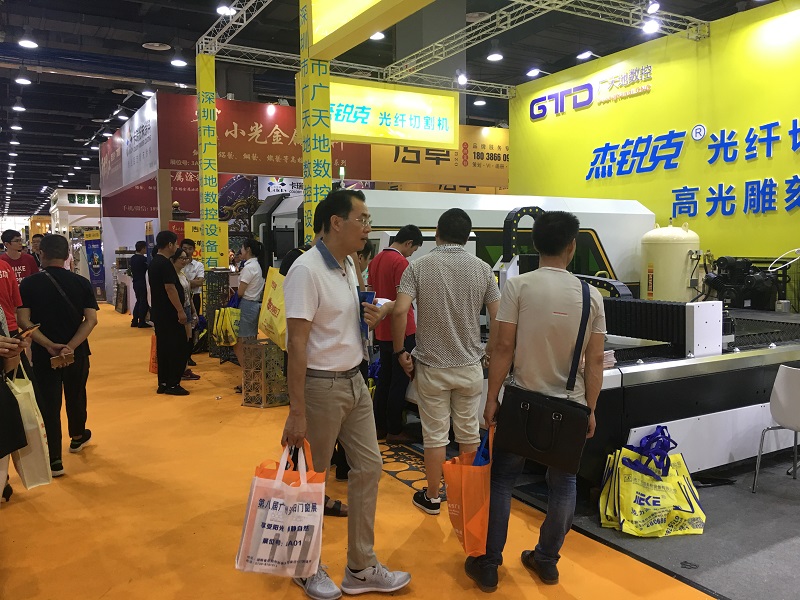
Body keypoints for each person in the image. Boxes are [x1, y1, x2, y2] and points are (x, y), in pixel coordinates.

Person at [466, 211, 606, 592]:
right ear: (572, 246)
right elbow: (595, 360)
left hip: (522, 402)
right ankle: (546, 559)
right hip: (570, 406)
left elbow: (503, 347)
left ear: (534, 244)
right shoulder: (591, 296)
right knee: (564, 483)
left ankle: (489, 563)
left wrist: (491, 398)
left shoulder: (518, 287)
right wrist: (591, 409)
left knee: (502, 480)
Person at [282, 189, 410, 599]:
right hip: (320, 386)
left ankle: (360, 566)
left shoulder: (349, 266)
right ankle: (305, 566)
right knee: (312, 480)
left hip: (355, 380)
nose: (368, 227)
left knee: (369, 467)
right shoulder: (306, 270)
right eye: (362, 219)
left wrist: (373, 314)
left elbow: (343, 321)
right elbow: (296, 344)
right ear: (336, 223)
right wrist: (297, 410)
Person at [392, 208, 500, 516]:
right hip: (469, 366)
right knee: (468, 434)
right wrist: (489, 351)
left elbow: (399, 311)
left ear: (437, 233)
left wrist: (400, 352)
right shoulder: (483, 270)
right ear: (467, 236)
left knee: (435, 435)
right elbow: (498, 315)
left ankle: (433, 496)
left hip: (431, 366)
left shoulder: (418, 266)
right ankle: (465, 497)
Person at [18, 234, 99, 478]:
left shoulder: (29, 284)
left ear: (41, 253)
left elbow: (24, 320)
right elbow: (91, 320)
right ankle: (77, 437)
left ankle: (54, 459)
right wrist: (70, 346)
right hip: (77, 352)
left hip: (44, 354)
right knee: (76, 394)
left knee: (48, 404)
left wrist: (49, 344)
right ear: (66, 256)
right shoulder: (81, 283)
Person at [368, 224, 423, 441]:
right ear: (408, 243)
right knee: (399, 381)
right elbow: (403, 302)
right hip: (402, 330)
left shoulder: (376, 259)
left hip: (382, 329)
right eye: (413, 249)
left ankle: (380, 426)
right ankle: (394, 429)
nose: (411, 254)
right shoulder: (401, 263)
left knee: (385, 379)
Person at [148, 231, 189, 396]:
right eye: (176, 243)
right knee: (176, 347)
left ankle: (163, 382)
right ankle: (173, 383)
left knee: (164, 348)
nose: (177, 246)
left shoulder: (154, 262)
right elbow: (170, 288)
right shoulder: (165, 264)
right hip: (170, 314)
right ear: (170, 245)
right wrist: (180, 311)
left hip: (160, 312)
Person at [232, 238, 266, 392]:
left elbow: (240, 292)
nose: (241, 251)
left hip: (246, 305)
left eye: (242, 248)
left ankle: (250, 379)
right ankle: (253, 379)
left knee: (241, 345)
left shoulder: (249, 268)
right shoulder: (258, 266)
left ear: (248, 250)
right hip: (254, 305)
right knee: (250, 344)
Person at [170, 248, 199, 382]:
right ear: (173, 260)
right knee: (180, 341)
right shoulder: (172, 276)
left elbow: (189, 294)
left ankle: (184, 367)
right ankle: (180, 369)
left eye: (185, 258)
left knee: (187, 339)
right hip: (179, 310)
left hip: (187, 308)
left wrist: (193, 311)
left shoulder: (182, 274)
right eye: (181, 258)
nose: (184, 261)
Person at [130, 241, 151, 328]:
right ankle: (141, 321)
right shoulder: (143, 259)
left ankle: (134, 320)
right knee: (143, 301)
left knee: (138, 301)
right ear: (143, 248)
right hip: (143, 282)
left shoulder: (133, 258)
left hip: (135, 282)